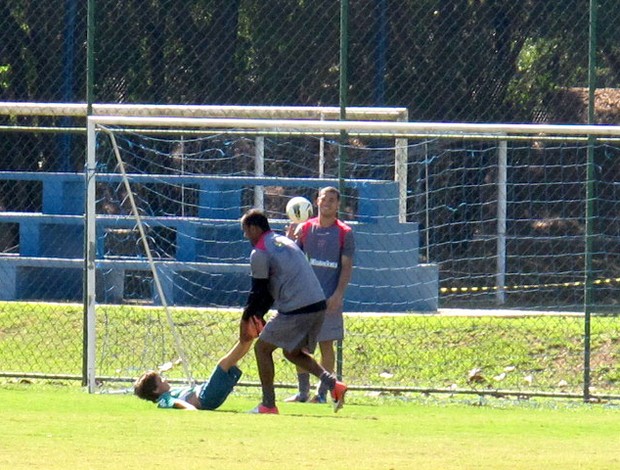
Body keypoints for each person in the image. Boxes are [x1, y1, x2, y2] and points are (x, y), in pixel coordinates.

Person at [240, 208, 348, 414]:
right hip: (317, 305)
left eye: (246, 231)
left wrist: (248, 318)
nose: (246, 237)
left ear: (254, 228)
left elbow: (259, 290)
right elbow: (270, 289)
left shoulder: (260, 251)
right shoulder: (282, 241)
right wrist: (258, 315)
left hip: (298, 307)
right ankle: (335, 386)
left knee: (262, 349)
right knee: (292, 352)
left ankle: (268, 405)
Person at [285, 186, 355, 403]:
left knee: (326, 345)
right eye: (324, 199)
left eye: (333, 200)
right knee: (298, 346)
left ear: (338, 205)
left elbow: (346, 267)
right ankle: (302, 392)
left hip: (329, 299)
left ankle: (322, 393)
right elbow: (292, 259)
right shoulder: (304, 228)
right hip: (305, 299)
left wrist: (338, 295)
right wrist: (288, 239)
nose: (328, 203)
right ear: (316, 201)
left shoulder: (344, 232)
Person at [133, 317, 263, 410]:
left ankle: (250, 336)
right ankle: (249, 335)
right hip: (205, 397)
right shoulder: (164, 399)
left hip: (208, 396)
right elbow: (177, 403)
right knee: (224, 363)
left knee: (231, 363)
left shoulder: (169, 392)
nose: (165, 378)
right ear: (156, 390)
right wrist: (190, 409)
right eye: (161, 379)